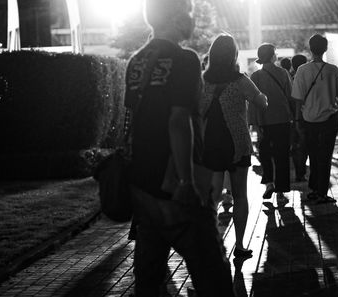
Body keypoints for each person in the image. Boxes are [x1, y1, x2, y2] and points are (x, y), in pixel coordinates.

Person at [125, 1, 235, 296]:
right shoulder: (184, 59)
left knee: (149, 278)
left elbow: (132, 121)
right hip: (175, 182)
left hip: (141, 183)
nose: (191, 18)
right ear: (173, 16)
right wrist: (187, 181)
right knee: (213, 276)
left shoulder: (136, 61)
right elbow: (178, 120)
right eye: (186, 12)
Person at [201, 34, 268, 258]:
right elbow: (261, 101)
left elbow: (197, 110)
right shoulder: (240, 80)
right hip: (237, 142)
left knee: (212, 196)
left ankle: (211, 243)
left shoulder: (203, 81)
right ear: (233, 55)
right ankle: (240, 245)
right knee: (240, 195)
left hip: (210, 142)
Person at [291, 34, 338, 203]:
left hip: (308, 120)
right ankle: (321, 192)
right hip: (329, 120)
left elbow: (298, 99)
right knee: (325, 156)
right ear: (325, 49)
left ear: (310, 48)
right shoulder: (332, 70)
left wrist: (297, 120)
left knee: (314, 155)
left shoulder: (302, 70)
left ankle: (315, 188)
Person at [250, 43, 293, 200]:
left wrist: (256, 125)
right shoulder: (283, 73)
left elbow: (253, 102)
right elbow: (291, 96)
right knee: (282, 154)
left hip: (264, 121)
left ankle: (269, 183)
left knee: (265, 153)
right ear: (272, 55)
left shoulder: (255, 76)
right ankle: (281, 190)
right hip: (283, 119)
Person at [290, 54, 309, 182]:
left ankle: (299, 171)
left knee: (296, 146)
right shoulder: (306, 78)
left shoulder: (290, 78)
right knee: (304, 146)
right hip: (304, 116)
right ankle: (301, 173)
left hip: (291, 117)